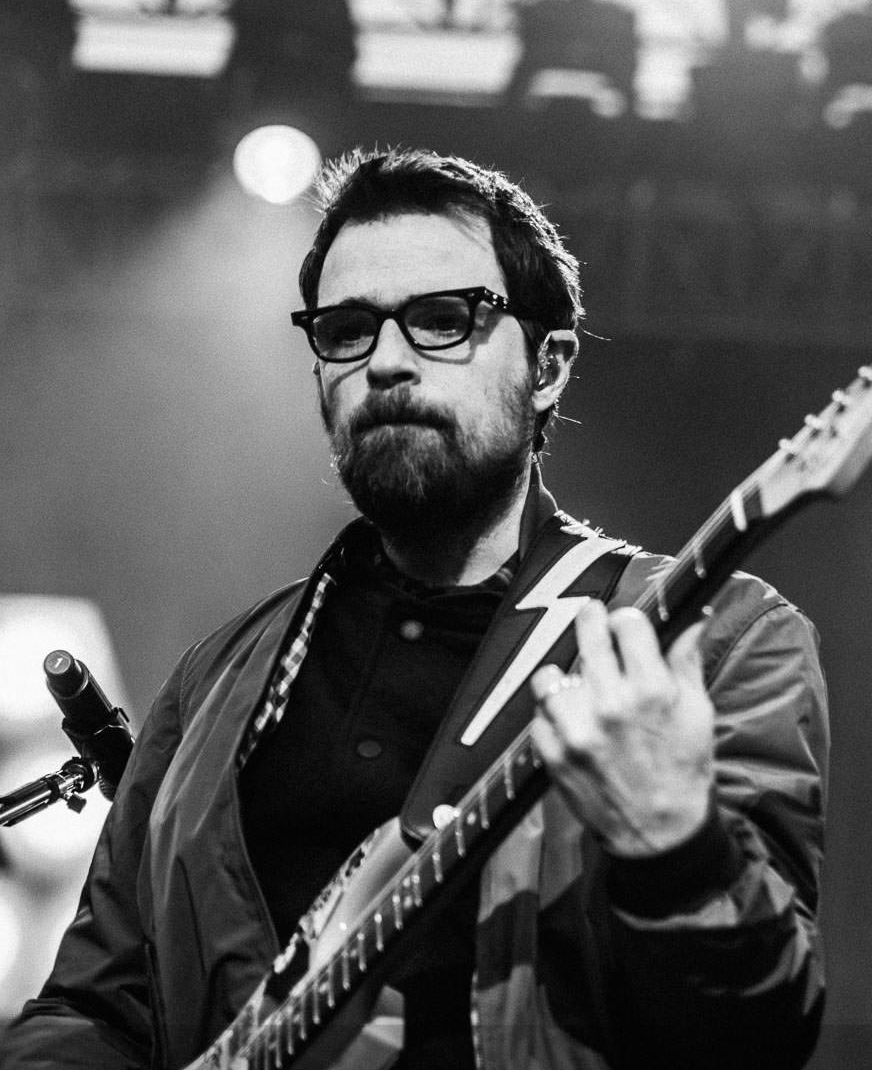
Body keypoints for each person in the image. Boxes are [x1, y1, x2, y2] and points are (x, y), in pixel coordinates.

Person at [1, 149, 828, 1069]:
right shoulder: (217, 679)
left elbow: (762, 1031)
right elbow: (97, 1003)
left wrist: (679, 843)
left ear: (548, 367)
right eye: (347, 329)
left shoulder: (711, 639)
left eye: (442, 320)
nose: (386, 362)